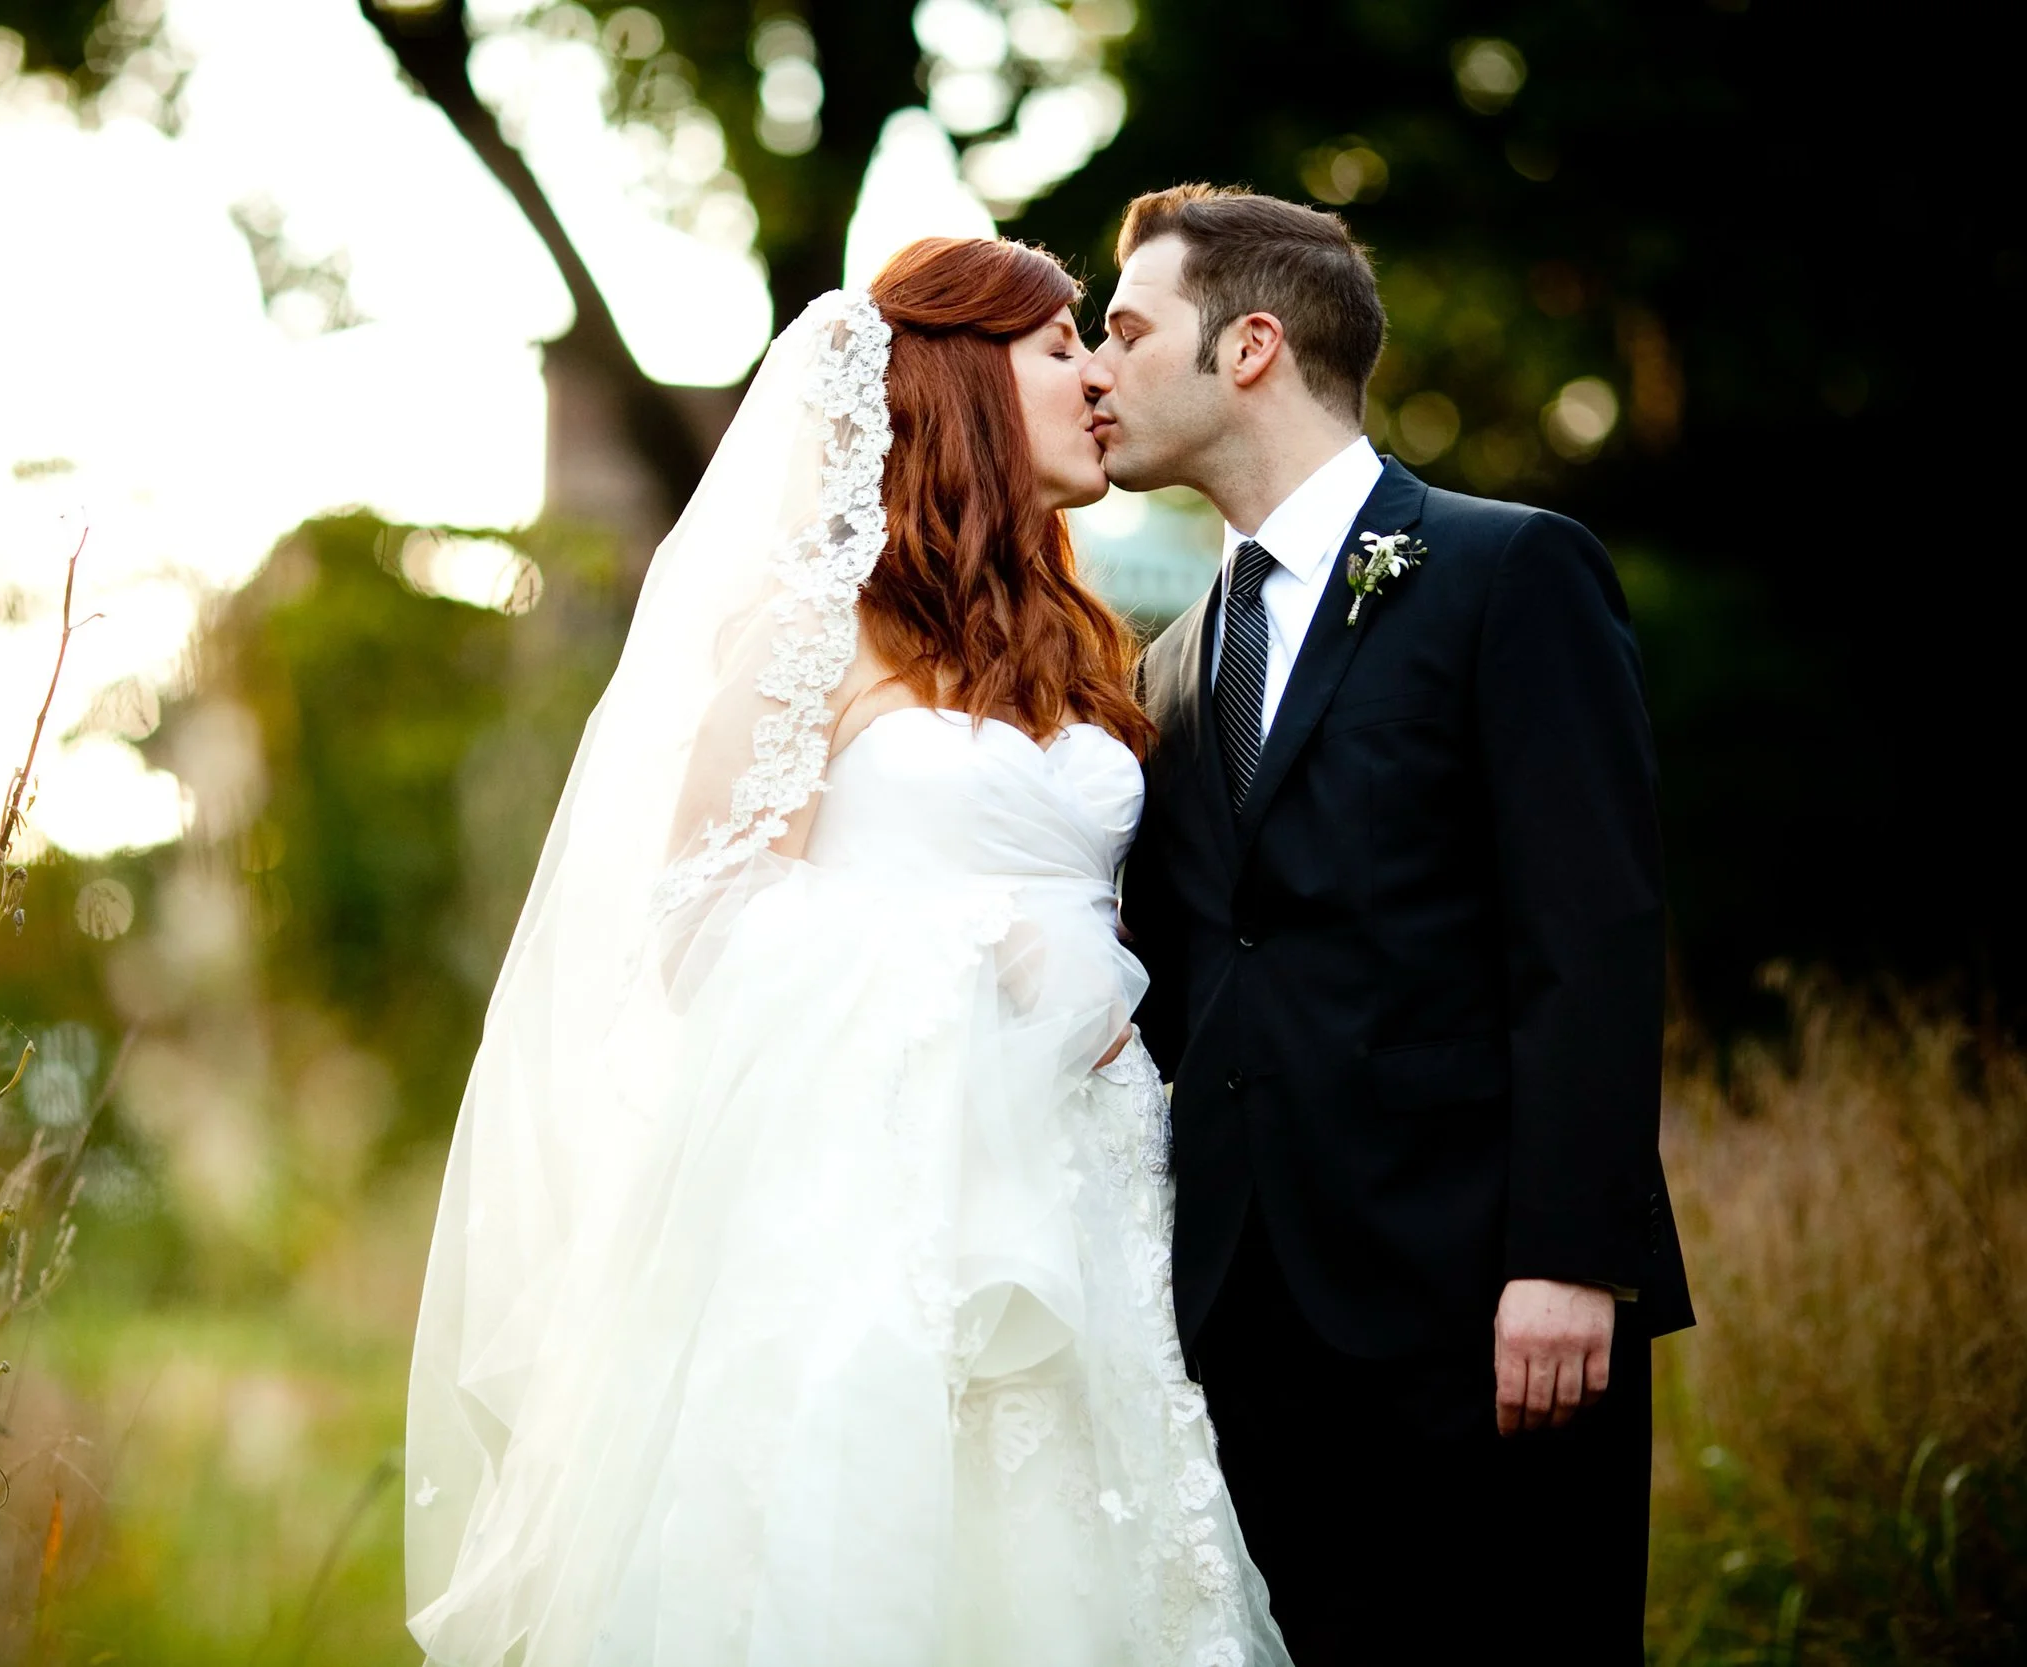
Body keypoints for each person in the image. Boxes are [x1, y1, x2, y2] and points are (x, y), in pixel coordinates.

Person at [404, 236, 1289, 1667]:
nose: (1097, 376)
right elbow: (698, 923)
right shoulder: (817, 634)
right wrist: (978, 951)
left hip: (1094, 1193)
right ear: (959, 383)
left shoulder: (1084, 649)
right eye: (1061, 347)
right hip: (880, 1215)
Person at [1093, 183, 1695, 1662]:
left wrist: (1570, 1255)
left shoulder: (1509, 572)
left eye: (1122, 329)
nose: (1093, 370)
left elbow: (1594, 930)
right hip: (1239, 1323)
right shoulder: (1168, 667)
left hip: (1483, 1308)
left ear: (1245, 348)